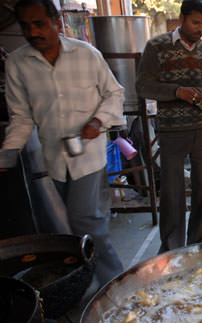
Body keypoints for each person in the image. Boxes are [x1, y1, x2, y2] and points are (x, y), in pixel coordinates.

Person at [2, 0, 125, 287]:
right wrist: (6, 155)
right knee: (62, 230)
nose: (33, 32)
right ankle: (80, 284)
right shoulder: (17, 64)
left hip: (89, 158)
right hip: (54, 160)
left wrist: (98, 121)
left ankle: (114, 285)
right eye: (26, 26)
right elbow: (20, 118)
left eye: (39, 24)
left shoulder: (86, 55)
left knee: (86, 222)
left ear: (57, 24)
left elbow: (114, 94)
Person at [136, 0, 202, 252]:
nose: (200, 29)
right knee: (172, 191)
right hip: (171, 130)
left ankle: (199, 243)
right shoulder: (156, 47)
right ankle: (172, 248)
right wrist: (177, 91)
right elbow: (143, 86)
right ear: (182, 17)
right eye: (195, 22)